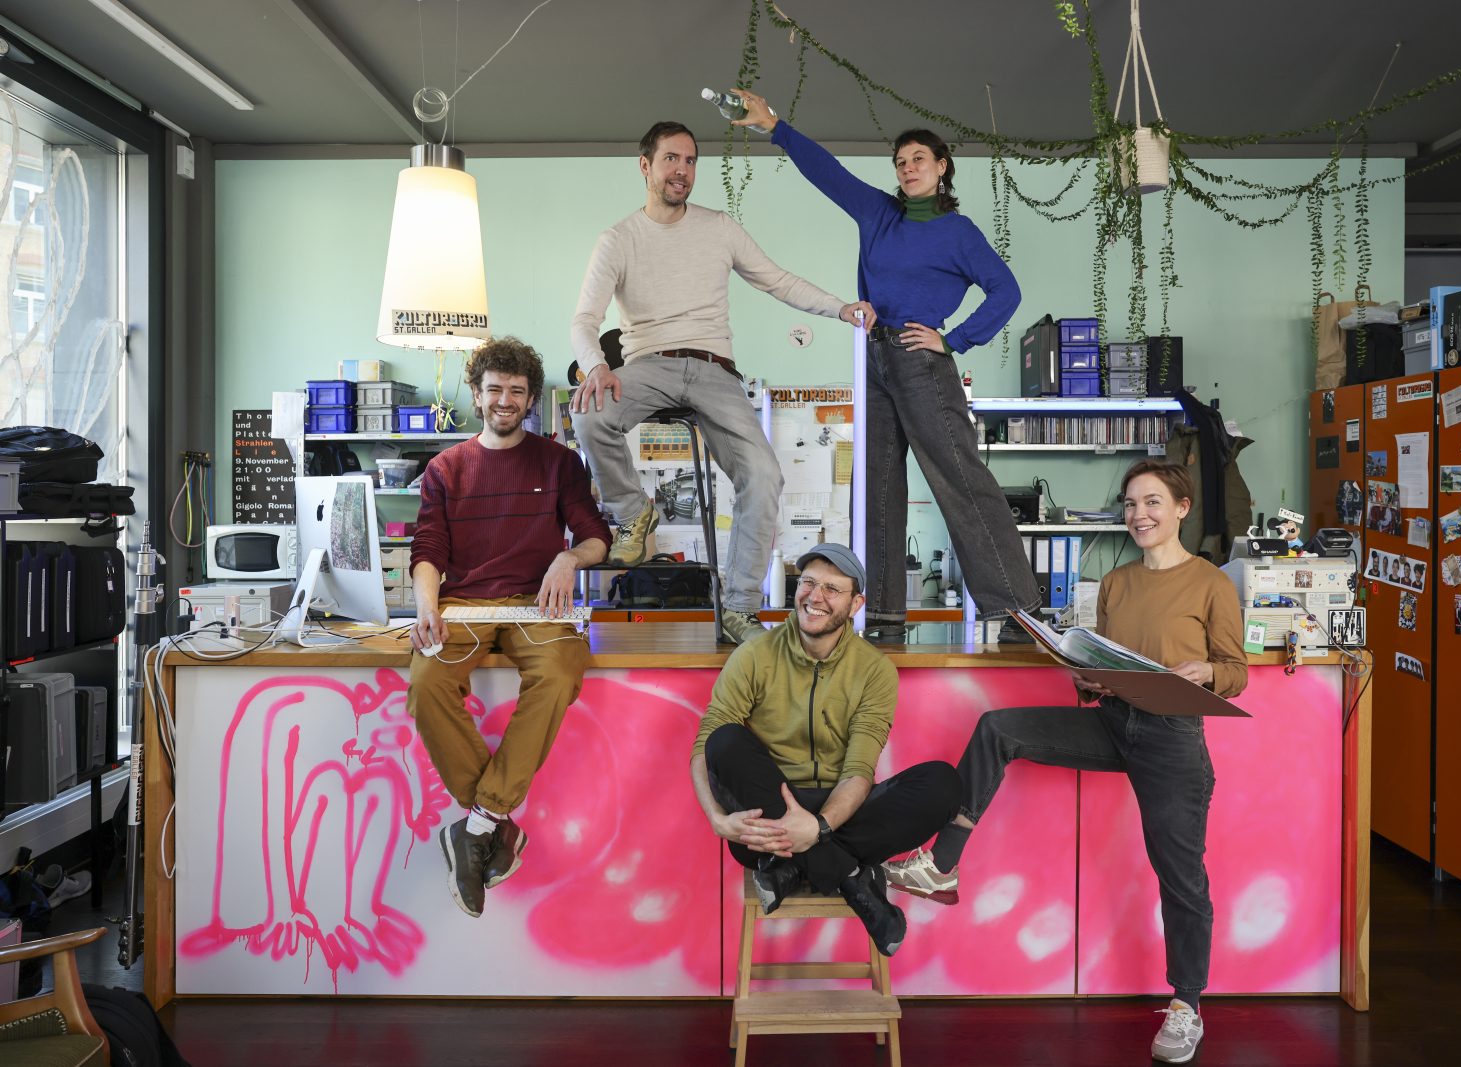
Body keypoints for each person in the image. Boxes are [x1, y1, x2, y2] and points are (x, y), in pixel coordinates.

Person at [883, 460, 1247, 1063]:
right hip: (1113, 722)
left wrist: (1206, 670)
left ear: (1182, 508)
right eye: (1130, 504)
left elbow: (1235, 673)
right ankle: (941, 865)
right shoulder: (1116, 583)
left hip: (1171, 738)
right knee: (998, 728)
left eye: (1152, 503)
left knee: (1181, 876)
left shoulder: (1210, 582)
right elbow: (1104, 663)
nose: (1138, 515)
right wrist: (1087, 679)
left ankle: (1187, 1006)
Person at [728, 92, 1037, 644]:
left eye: (919, 158)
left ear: (942, 167)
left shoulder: (958, 232)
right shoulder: (879, 213)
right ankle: (885, 619)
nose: (908, 168)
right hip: (871, 357)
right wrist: (774, 126)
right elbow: (829, 173)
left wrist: (954, 340)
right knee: (876, 490)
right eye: (900, 161)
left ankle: (1018, 612)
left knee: (960, 480)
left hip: (921, 363)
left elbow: (1006, 291)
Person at [570, 120, 875, 645]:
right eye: (671, 159)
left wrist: (840, 308)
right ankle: (634, 514)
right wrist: (596, 365)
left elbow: (777, 279)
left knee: (765, 473)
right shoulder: (618, 239)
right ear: (645, 166)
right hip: (649, 363)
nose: (682, 170)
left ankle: (738, 607)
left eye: (690, 161)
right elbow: (584, 319)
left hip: (715, 369)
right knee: (588, 411)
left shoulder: (719, 228)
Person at [407, 337, 612, 918]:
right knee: (427, 683)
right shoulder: (445, 468)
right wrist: (426, 606)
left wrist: (568, 557)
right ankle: (493, 823)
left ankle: (477, 824)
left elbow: (596, 537)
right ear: (476, 395)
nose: (504, 400)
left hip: (535, 605)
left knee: (561, 671)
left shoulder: (559, 463)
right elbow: (428, 549)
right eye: (494, 389)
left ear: (530, 400)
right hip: (463, 605)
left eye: (516, 391)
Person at [690, 543, 962, 955]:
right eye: (809, 583)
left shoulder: (874, 670)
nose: (815, 596)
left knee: (943, 784)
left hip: (841, 816)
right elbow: (704, 744)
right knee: (724, 741)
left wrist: (818, 828)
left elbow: (858, 771)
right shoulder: (754, 656)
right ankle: (853, 881)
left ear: (856, 604)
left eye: (832, 589)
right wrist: (716, 819)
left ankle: (789, 868)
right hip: (768, 818)